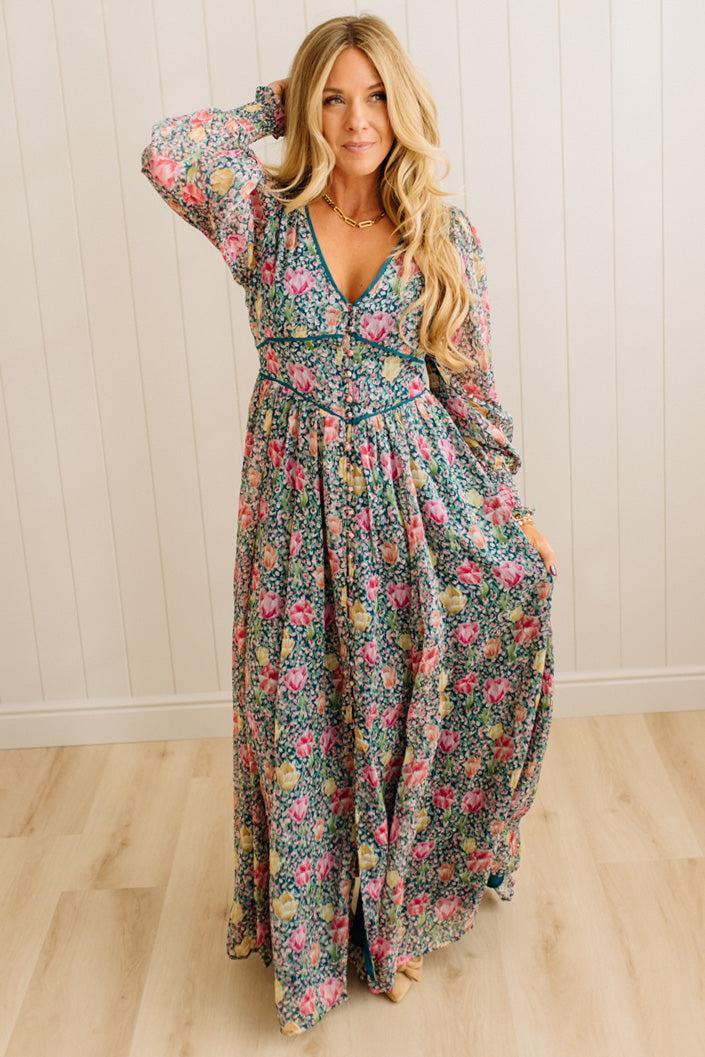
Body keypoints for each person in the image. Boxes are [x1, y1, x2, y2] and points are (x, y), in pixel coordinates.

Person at [141, 12, 557, 1038]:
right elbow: (165, 152)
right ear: (306, 108)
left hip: (415, 500)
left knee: (406, 707)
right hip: (291, 511)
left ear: (402, 106)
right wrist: (270, 104)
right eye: (334, 96)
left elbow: (470, 392)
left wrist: (514, 512)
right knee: (306, 719)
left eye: (375, 96)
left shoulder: (440, 234)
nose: (358, 117)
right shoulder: (262, 220)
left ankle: (399, 917)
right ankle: (319, 928)